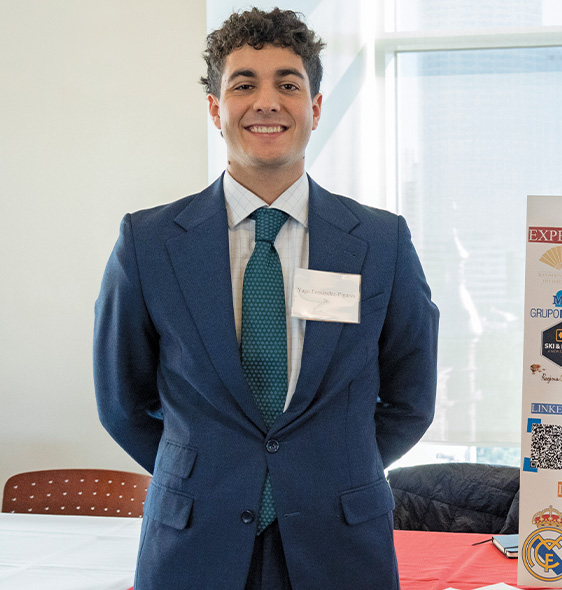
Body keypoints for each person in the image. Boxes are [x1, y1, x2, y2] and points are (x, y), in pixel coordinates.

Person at [93, 8, 438, 590]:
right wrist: (207, 475)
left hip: (341, 541)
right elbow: (122, 402)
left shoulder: (382, 242)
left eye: (288, 83)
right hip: (194, 541)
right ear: (214, 108)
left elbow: (410, 398)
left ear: (316, 107)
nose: (267, 101)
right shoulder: (148, 242)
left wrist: (325, 470)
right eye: (243, 84)